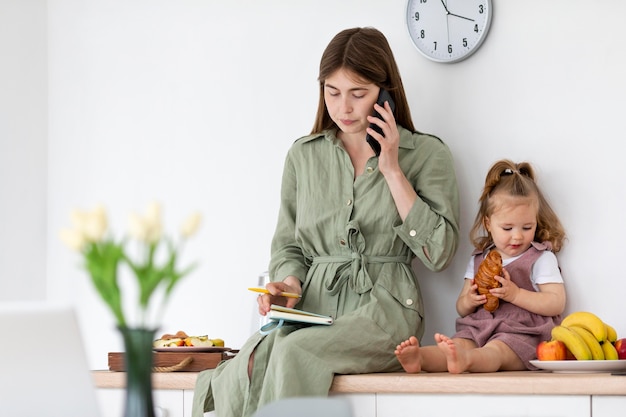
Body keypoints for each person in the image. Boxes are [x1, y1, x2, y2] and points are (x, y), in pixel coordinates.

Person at [192, 27, 460, 417]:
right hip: (314, 306)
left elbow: (440, 254)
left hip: (385, 308)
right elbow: (289, 246)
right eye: (332, 92)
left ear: (386, 94)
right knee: (250, 362)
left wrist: (391, 170)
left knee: (294, 351)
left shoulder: (426, 153)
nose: (343, 108)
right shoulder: (303, 156)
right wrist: (288, 287)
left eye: (358, 93)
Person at [395, 159, 566, 374]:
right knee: (459, 343)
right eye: (507, 227)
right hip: (480, 326)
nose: (517, 235)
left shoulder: (540, 258)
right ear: (488, 223)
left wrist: (515, 295)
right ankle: (420, 357)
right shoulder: (480, 258)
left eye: (527, 227)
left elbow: (556, 303)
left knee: (497, 350)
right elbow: (461, 306)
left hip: (522, 334)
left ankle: (466, 360)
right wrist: (470, 300)